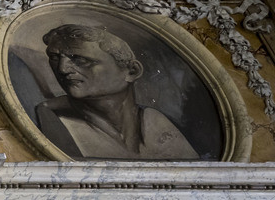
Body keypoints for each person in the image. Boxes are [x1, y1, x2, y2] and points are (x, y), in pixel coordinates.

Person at [33, 23, 198, 160]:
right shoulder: (53, 117)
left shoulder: (155, 122)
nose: (62, 69)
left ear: (131, 71)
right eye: (54, 58)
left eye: (80, 59)